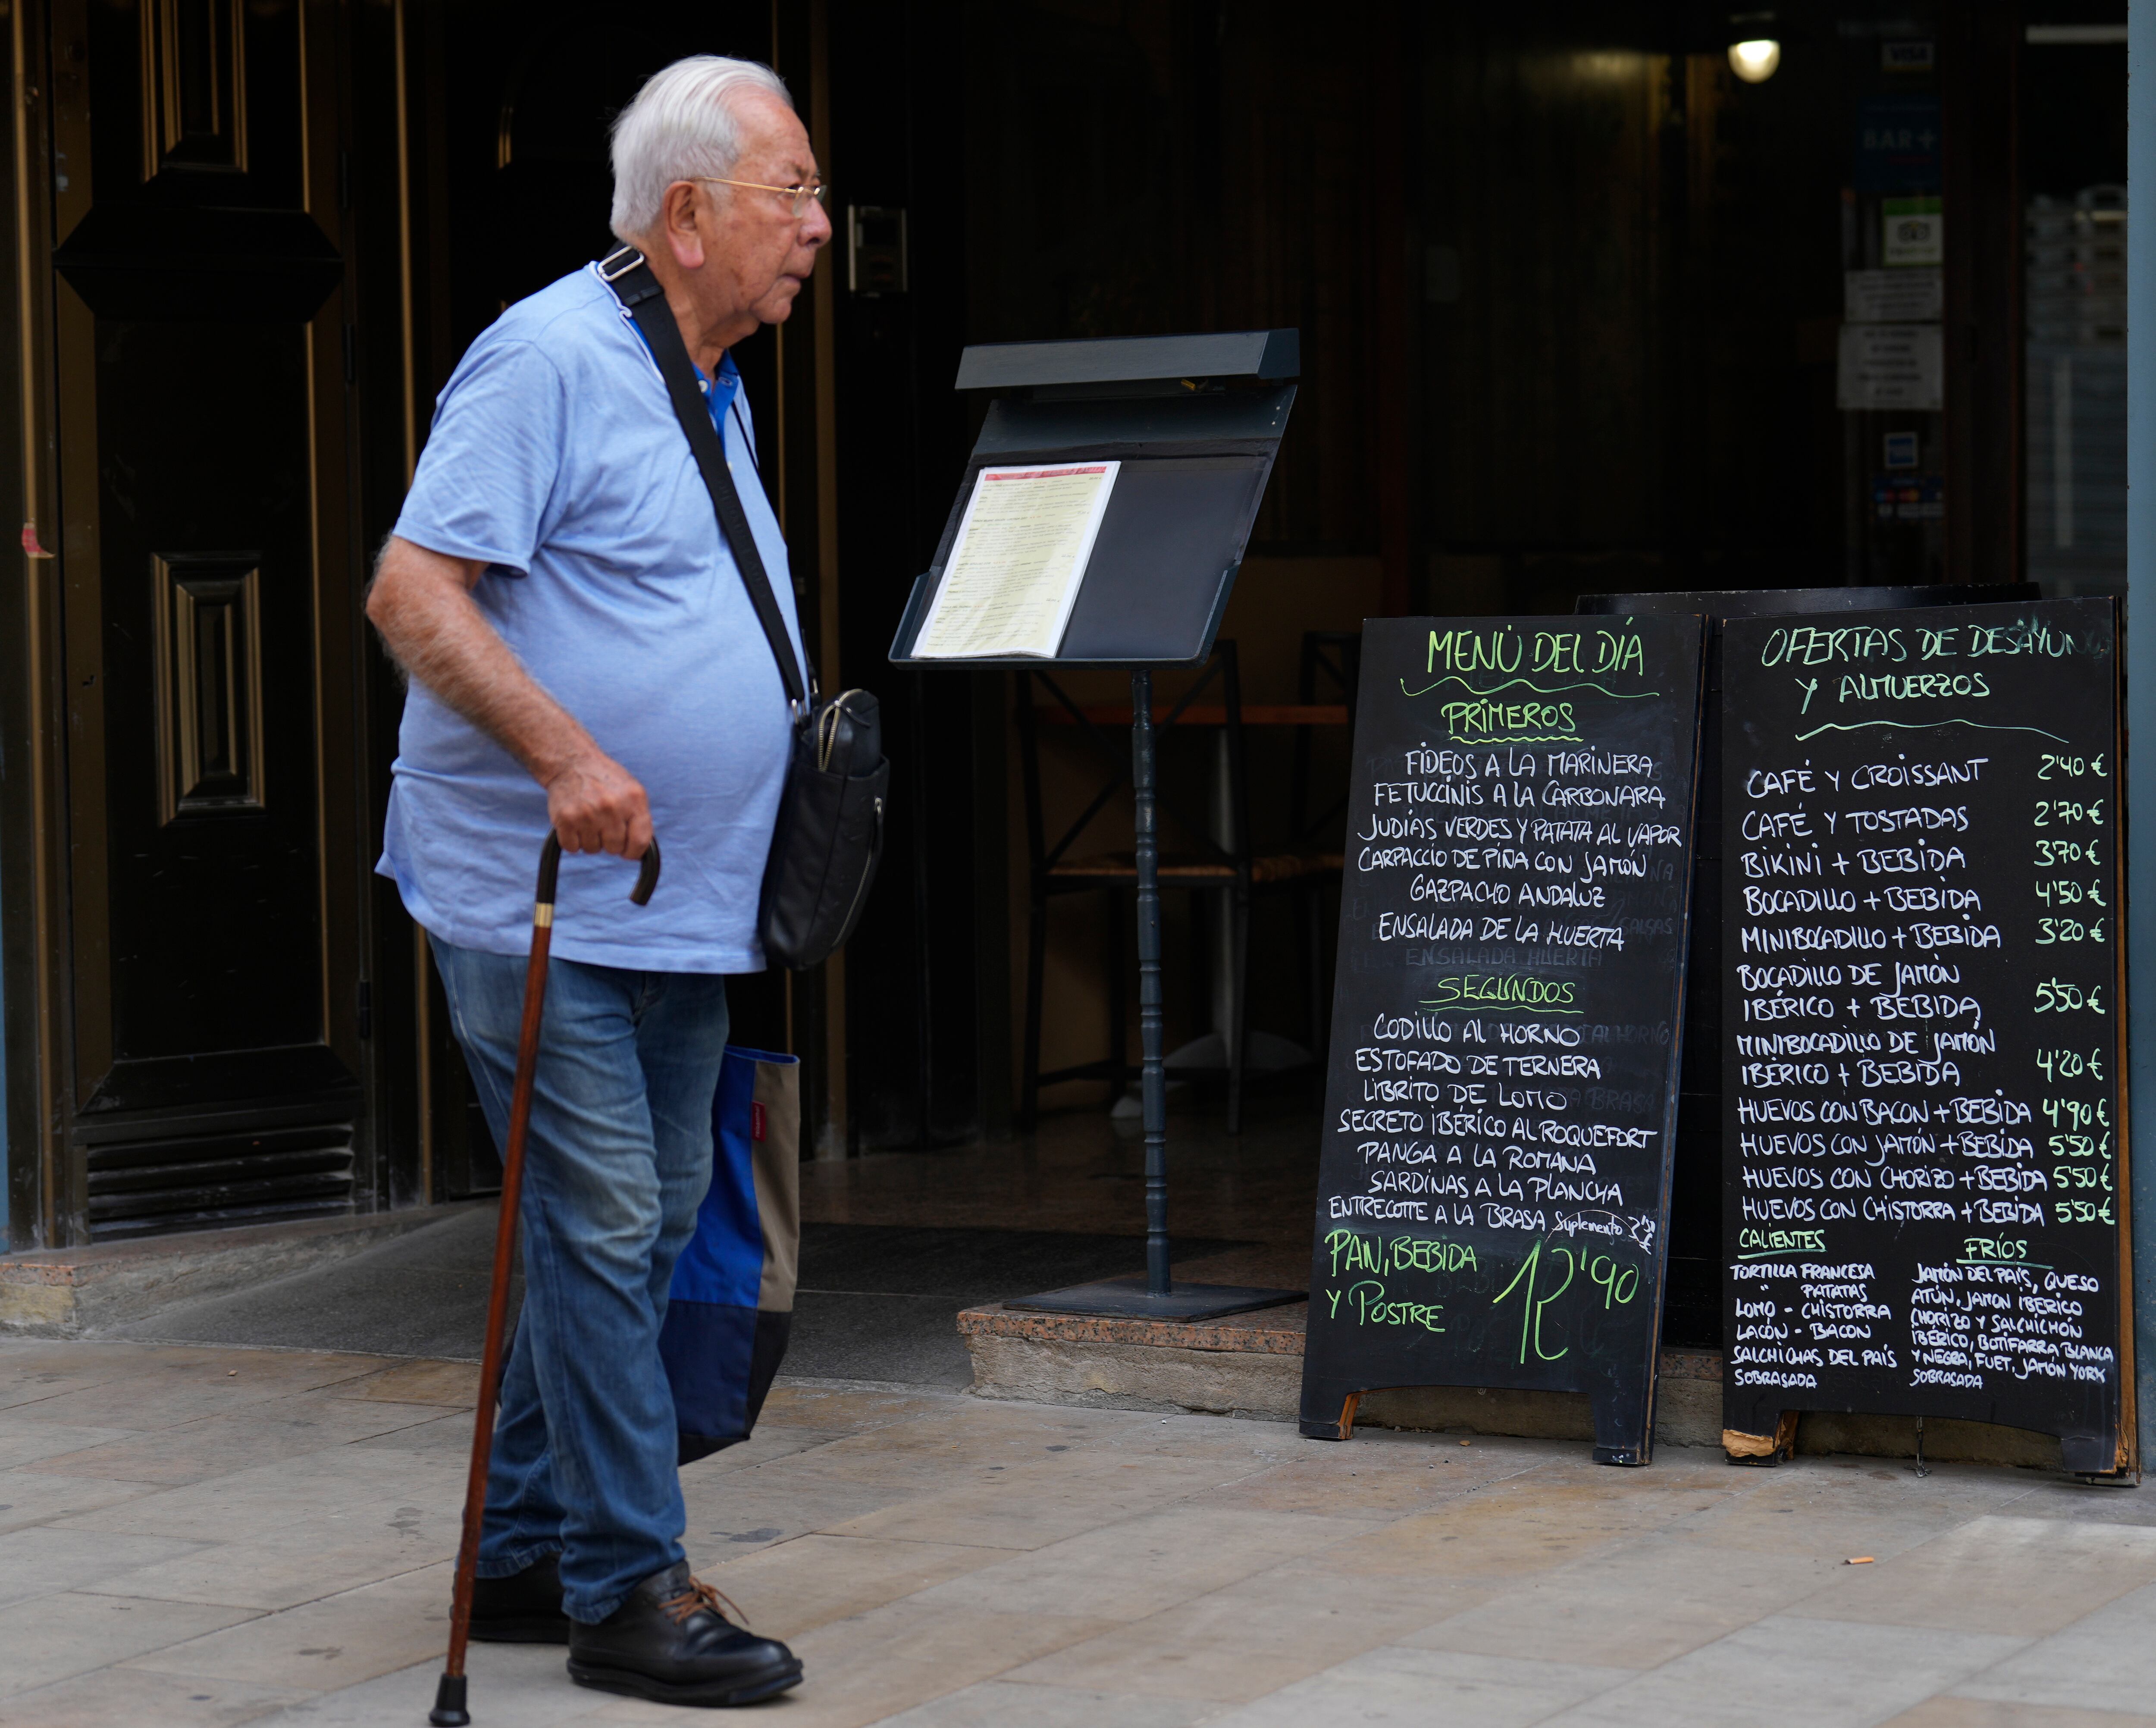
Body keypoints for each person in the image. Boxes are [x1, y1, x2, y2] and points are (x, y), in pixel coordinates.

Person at [364, 54, 828, 1709]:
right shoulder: (549, 356)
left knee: (625, 1239)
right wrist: (568, 754)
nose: (820, 229)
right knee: (606, 1216)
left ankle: (521, 1548)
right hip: (535, 892)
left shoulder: (707, 378)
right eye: (794, 193)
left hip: (682, 902)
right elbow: (413, 594)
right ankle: (631, 1590)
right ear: (688, 213)